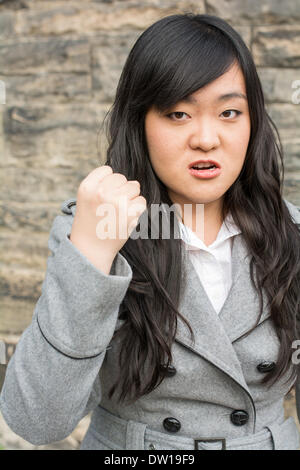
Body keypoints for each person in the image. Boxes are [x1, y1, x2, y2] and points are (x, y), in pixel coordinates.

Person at [1, 13, 300, 451]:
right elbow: (38, 420)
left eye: (229, 112)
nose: (206, 137)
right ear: (140, 122)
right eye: (178, 113)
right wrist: (92, 256)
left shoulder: (290, 232)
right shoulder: (94, 228)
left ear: (252, 122)